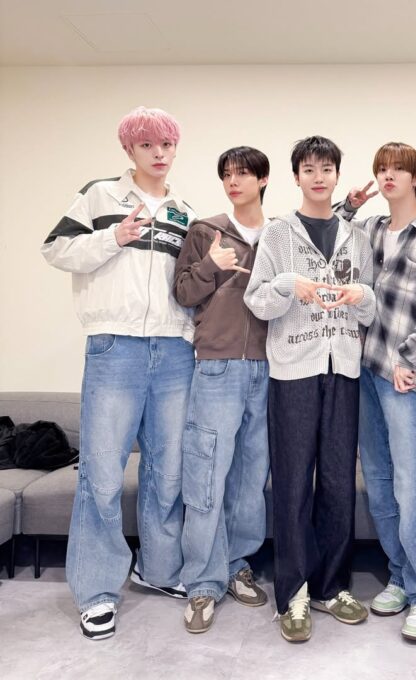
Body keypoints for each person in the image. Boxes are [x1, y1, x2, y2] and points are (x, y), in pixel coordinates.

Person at [41, 106, 196, 640]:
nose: (159, 153)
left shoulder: (184, 211)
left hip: (175, 350)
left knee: (168, 471)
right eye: (147, 144)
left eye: (166, 144)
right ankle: (97, 592)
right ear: (129, 150)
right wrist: (114, 238)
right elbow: (55, 249)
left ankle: (160, 569)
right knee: (103, 474)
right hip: (116, 346)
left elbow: (187, 284)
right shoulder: (100, 195)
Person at [244, 135, 376, 643]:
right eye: (309, 169)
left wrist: (360, 295)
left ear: (337, 175)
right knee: (294, 482)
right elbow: (258, 300)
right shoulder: (279, 234)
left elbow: (370, 309)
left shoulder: (356, 237)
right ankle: (294, 592)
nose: (318, 178)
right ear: (296, 176)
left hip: (344, 369)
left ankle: (332, 586)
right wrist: (287, 286)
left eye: (327, 169)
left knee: (338, 482)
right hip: (293, 372)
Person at [342, 142, 416, 642]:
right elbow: (326, 245)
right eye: (382, 169)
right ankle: (401, 574)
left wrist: (411, 360)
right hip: (368, 371)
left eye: (398, 169)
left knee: (415, 487)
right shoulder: (370, 229)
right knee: (380, 481)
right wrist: (349, 205)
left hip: (407, 378)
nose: (388, 176)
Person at [173, 146, 271, 634]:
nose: (233, 181)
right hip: (216, 367)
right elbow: (183, 293)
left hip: (269, 370)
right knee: (206, 475)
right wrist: (211, 264)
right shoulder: (204, 231)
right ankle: (202, 582)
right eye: (227, 174)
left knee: (251, 478)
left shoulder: (279, 235)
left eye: (243, 174)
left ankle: (237, 565)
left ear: (263, 180)